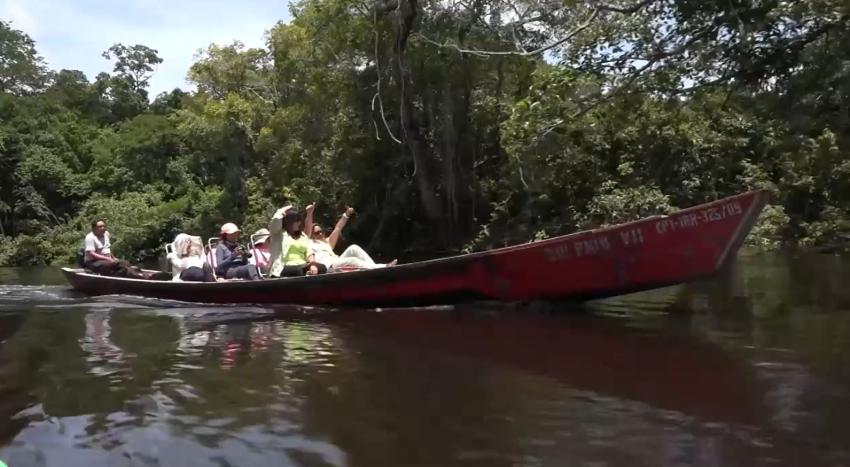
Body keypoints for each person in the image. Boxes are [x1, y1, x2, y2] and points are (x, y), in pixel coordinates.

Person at [310, 207, 396, 272]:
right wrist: (309, 213)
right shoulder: (309, 244)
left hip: (337, 261)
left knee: (353, 247)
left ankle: (374, 267)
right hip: (329, 266)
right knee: (353, 260)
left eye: (321, 231)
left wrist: (346, 215)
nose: (320, 234)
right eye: (317, 233)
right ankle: (383, 267)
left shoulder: (327, 243)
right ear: (311, 235)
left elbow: (338, 228)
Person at [267, 204, 327, 278]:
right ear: (288, 221)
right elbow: (276, 219)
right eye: (296, 221)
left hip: (302, 265)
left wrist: (313, 265)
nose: (299, 223)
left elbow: (309, 253)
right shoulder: (278, 234)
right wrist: (284, 209)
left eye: (299, 221)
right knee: (298, 271)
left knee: (322, 268)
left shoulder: (302, 236)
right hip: (282, 268)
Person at [82, 219, 148, 279]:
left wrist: (113, 257)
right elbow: (91, 253)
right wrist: (107, 259)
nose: (103, 228)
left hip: (106, 259)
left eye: (104, 226)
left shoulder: (106, 234)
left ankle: (137, 275)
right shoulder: (90, 237)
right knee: (111, 263)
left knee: (126, 263)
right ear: (94, 228)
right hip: (93, 262)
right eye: (100, 227)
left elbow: (107, 249)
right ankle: (108, 278)